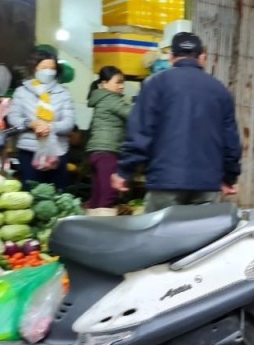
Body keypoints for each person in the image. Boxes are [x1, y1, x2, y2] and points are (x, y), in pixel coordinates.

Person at [112, 32, 241, 213]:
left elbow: (140, 133)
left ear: (171, 57)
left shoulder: (155, 84)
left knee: (160, 238)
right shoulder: (220, 91)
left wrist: (125, 171)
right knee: (201, 239)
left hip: (165, 180)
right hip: (206, 184)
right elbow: (231, 142)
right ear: (202, 58)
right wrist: (229, 177)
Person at [8, 44, 76, 189]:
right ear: (35, 68)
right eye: (44, 68)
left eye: (52, 68)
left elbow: (69, 122)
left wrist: (50, 127)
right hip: (29, 151)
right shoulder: (22, 92)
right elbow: (13, 118)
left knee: (58, 194)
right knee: (31, 193)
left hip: (57, 152)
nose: (48, 72)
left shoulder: (63, 93)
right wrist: (31, 124)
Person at [85, 66, 131, 209]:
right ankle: (102, 228)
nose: (121, 86)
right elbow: (133, 115)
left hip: (96, 152)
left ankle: (92, 225)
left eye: (122, 82)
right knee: (108, 195)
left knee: (97, 196)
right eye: (118, 82)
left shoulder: (101, 98)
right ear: (104, 83)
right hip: (107, 151)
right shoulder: (111, 99)